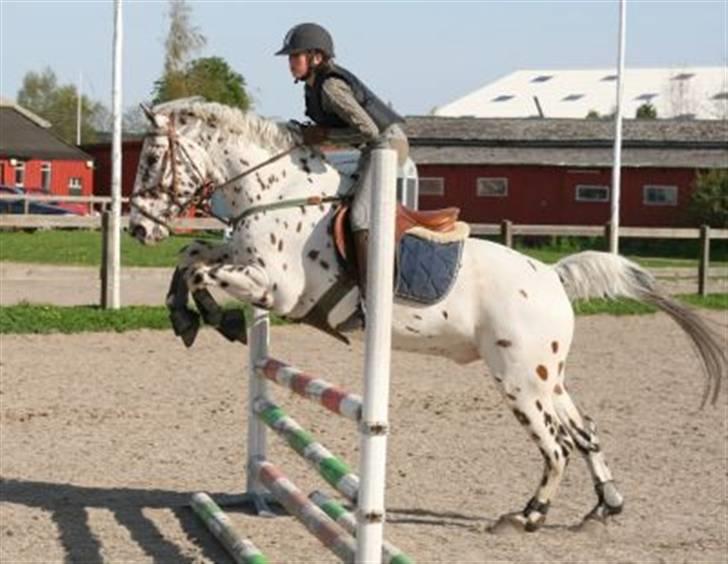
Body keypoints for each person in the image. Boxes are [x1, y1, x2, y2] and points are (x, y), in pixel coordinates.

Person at [275, 22, 409, 313]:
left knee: (361, 216)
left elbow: (370, 131)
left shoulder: (331, 86)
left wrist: (323, 136)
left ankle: (372, 295)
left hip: (386, 146)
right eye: (290, 57)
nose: (290, 62)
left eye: (295, 56)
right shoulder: (313, 86)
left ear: (316, 58)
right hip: (368, 148)